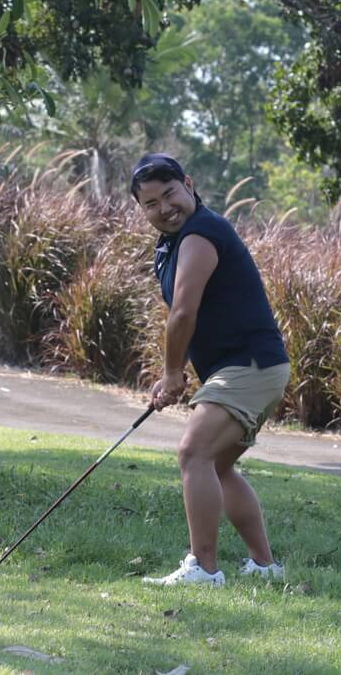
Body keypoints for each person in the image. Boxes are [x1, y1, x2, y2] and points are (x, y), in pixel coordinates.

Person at [130, 153, 290, 586]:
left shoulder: (201, 233)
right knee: (216, 465)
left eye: (170, 194)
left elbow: (183, 312)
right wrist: (174, 371)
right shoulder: (172, 243)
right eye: (151, 204)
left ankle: (203, 568)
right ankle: (265, 567)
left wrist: (172, 373)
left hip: (250, 365)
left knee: (193, 452)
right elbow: (192, 314)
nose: (165, 208)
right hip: (252, 367)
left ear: (188, 183)